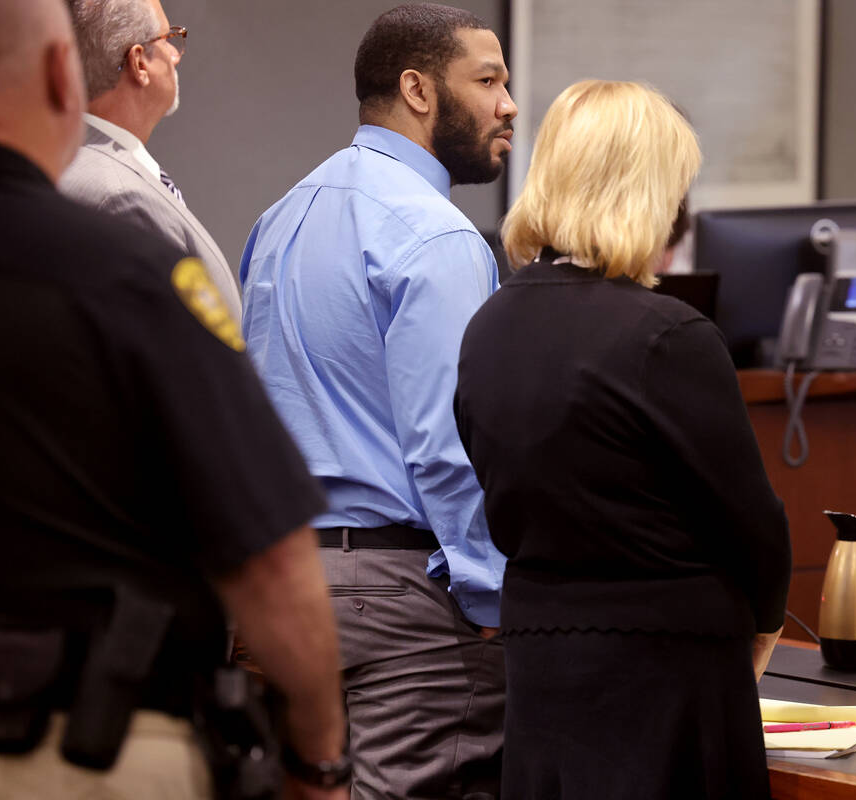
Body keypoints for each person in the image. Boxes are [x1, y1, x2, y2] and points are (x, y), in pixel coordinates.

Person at [0, 1, 347, 797]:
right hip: (77, 740)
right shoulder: (120, 265)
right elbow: (270, 558)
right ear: (63, 73)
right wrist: (315, 752)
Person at [453, 80, 793, 800]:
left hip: (544, 665)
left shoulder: (489, 326)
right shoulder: (669, 337)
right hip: (667, 674)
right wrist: (762, 626)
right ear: (652, 195)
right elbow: (752, 525)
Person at [239, 4, 514, 798]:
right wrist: (495, 597)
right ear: (418, 90)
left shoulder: (280, 217)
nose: (509, 104)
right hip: (403, 610)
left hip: (282, 588)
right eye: (488, 80)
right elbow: (450, 447)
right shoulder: (438, 236)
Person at [59, 0, 241, 320]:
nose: (175, 54)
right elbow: (176, 341)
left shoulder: (78, 167)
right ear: (139, 63)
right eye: (168, 38)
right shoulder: (120, 198)